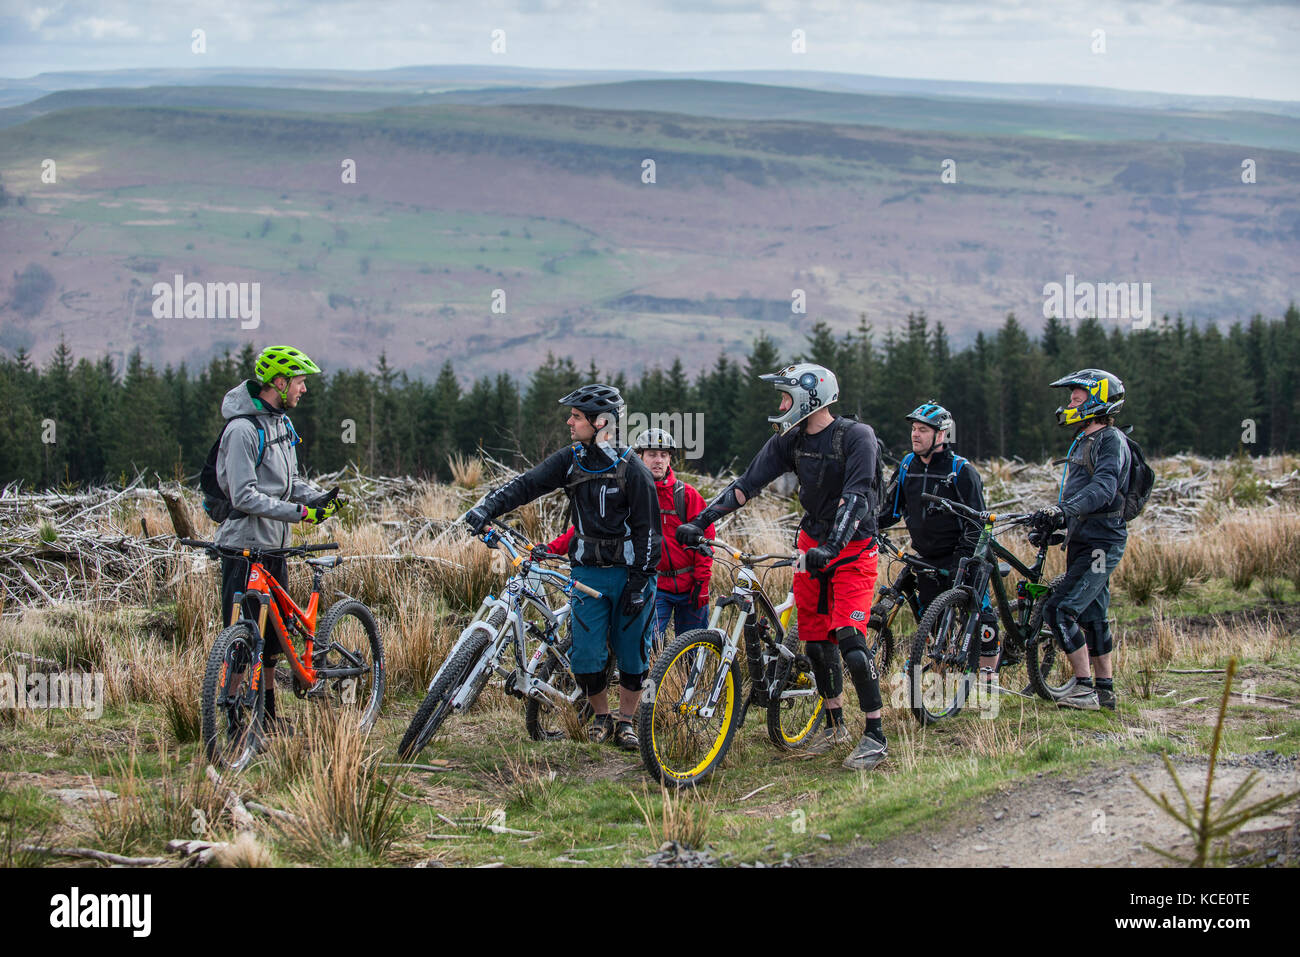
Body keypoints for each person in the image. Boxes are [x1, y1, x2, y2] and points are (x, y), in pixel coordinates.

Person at [677, 363, 888, 771]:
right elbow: (745, 486)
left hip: (853, 550)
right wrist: (700, 522)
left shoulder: (857, 437)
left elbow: (857, 498)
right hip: (812, 547)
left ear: (810, 398)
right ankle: (834, 724)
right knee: (815, 641)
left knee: (849, 639)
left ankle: (875, 735)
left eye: (786, 397)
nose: (780, 405)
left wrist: (835, 546)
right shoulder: (789, 441)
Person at [465, 384, 661, 751]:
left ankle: (626, 722)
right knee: (586, 655)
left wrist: (640, 583)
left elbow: (650, 534)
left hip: (631, 576)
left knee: (633, 652)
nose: (569, 421)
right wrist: (485, 508)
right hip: (586, 574)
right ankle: (601, 717)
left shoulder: (634, 470)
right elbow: (526, 486)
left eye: (576, 416)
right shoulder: (571, 459)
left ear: (600, 421)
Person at [214, 345, 340, 733]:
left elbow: (289, 484)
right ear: (280, 383)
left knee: (272, 640)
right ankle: (235, 722)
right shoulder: (242, 431)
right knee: (242, 641)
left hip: (275, 547)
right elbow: (244, 495)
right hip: (243, 548)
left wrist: (317, 498)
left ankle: (266, 717)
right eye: (300, 382)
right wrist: (300, 514)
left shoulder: (281, 425)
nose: (304, 389)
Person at [545, 428, 715, 652]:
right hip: (655, 585)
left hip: (691, 583)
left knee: (694, 650)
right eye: (652, 454)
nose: (658, 460)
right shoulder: (627, 492)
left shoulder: (686, 495)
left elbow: (706, 540)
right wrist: (549, 550)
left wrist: (702, 583)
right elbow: (587, 530)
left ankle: (691, 686)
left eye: (664, 455)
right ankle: (652, 686)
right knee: (650, 647)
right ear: (640, 456)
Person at [877, 401, 1002, 687]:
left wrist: (964, 560)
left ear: (941, 435)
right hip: (927, 556)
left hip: (963, 555)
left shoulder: (961, 471)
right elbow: (891, 510)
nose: (915, 435)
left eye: (923, 430)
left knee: (980, 613)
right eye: (913, 429)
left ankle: (987, 676)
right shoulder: (907, 465)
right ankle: (941, 664)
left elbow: (979, 523)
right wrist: (867, 526)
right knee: (929, 613)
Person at [1030, 369, 1130, 712]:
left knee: (1059, 608)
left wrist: (1064, 510)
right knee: (1093, 615)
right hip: (1083, 537)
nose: (1069, 404)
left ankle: (1083, 689)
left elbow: (1103, 488)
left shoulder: (1110, 440)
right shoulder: (1086, 438)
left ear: (1097, 400)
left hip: (1102, 541)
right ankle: (1105, 691)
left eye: (1076, 398)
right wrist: (1057, 521)